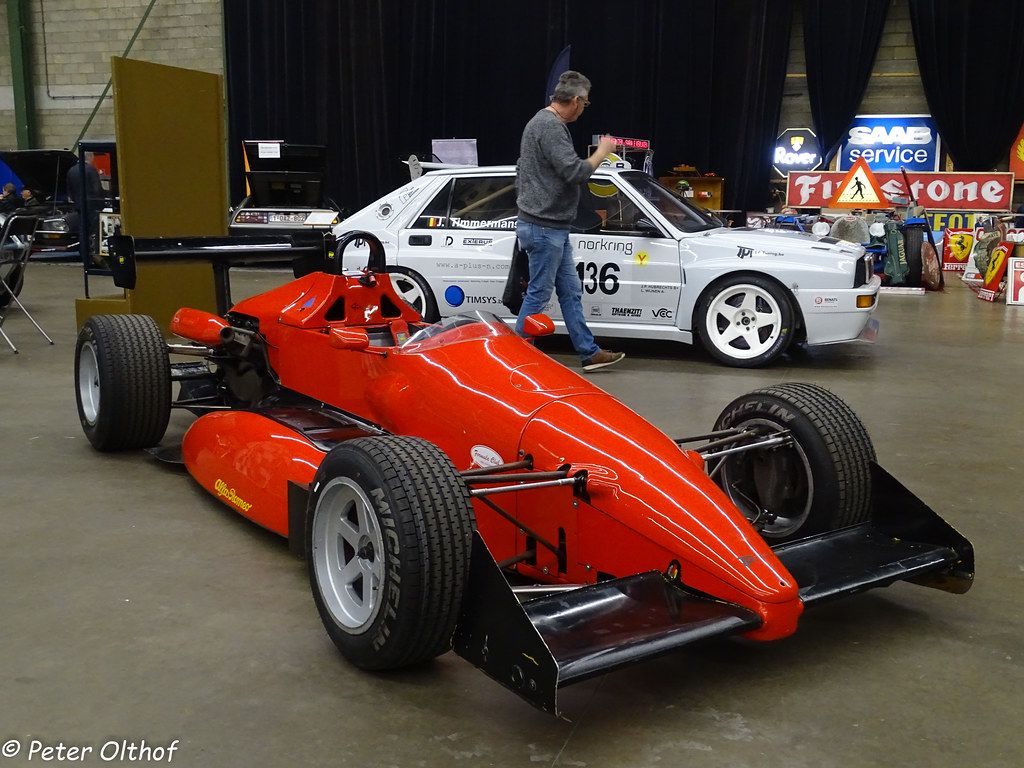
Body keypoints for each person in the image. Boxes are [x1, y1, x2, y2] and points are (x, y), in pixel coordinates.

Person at [515, 70, 625, 372]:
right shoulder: (549, 127)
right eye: (585, 103)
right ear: (575, 100)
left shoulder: (543, 123)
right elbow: (574, 172)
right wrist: (602, 153)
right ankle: (513, 359)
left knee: (570, 290)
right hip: (544, 227)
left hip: (552, 227)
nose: (583, 107)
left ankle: (589, 352)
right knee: (538, 294)